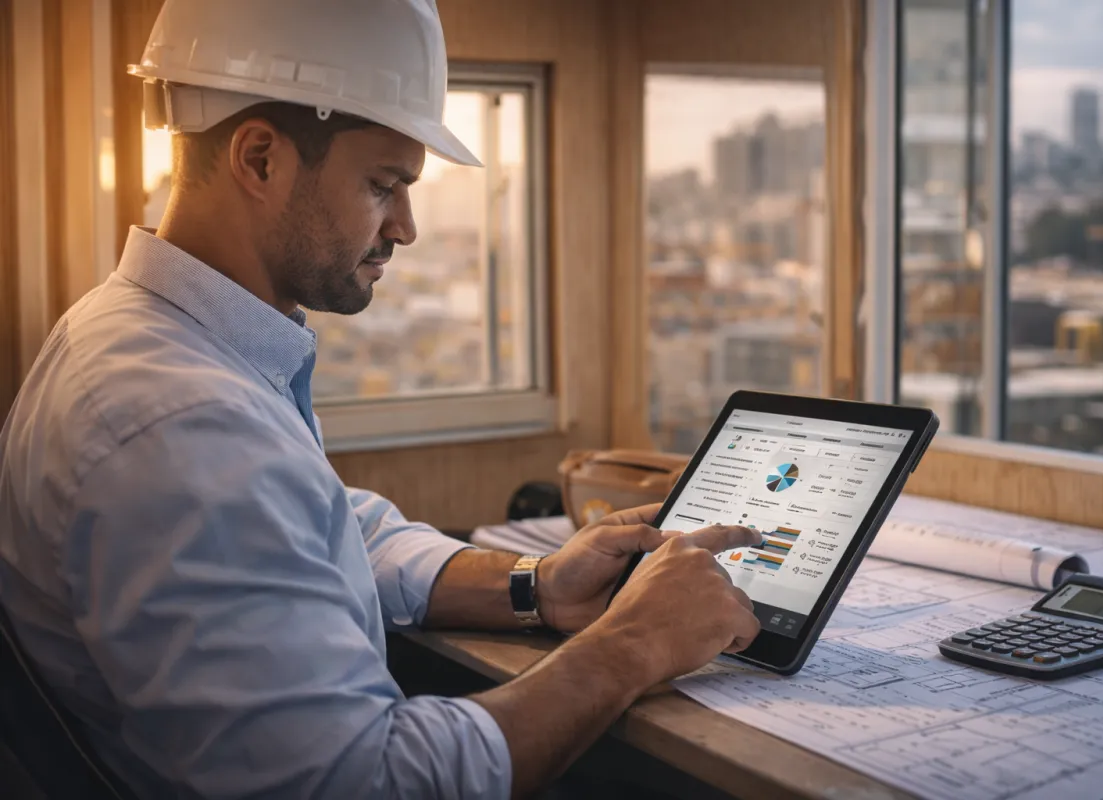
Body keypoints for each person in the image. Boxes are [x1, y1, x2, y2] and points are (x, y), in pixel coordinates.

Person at [0, 1, 762, 798]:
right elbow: (367, 784)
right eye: (383, 184)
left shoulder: (149, 339)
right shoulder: (182, 426)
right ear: (259, 159)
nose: (405, 227)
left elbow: (317, 529)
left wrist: (534, 585)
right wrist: (635, 643)